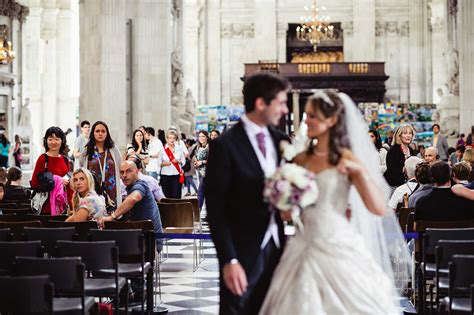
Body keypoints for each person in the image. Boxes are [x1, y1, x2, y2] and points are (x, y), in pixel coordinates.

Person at [260, 90, 404, 314]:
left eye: (312, 116)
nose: (306, 120)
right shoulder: (299, 159)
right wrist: (285, 204)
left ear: (332, 119)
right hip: (302, 242)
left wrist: (360, 174)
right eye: (306, 115)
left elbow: (378, 208)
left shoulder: (347, 159)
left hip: (337, 242)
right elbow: (288, 209)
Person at [205, 72, 291, 314]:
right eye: (281, 103)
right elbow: (216, 210)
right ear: (261, 103)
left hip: (276, 247)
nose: (285, 110)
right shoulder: (225, 145)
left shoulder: (281, 140)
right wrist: (228, 260)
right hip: (241, 252)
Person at [100, 161, 163, 251]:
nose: (125, 175)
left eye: (128, 171)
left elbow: (133, 198)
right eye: (122, 172)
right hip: (141, 240)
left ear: (136, 171)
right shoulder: (131, 188)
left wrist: (112, 216)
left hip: (152, 243)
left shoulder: (141, 185)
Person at [79, 121, 122, 212]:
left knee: (112, 219)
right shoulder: (87, 150)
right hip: (93, 191)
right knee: (94, 217)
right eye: (97, 131)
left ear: (107, 133)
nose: (100, 134)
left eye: (103, 131)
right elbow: (82, 168)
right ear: (93, 133)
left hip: (112, 190)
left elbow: (120, 165)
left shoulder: (113, 149)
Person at [31, 127, 72, 214]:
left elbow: (69, 184)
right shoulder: (43, 159)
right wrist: (57, 181)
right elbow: (34, 183)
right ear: (46, 141)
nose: (53, 142)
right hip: (46, 207)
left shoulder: (65, 160)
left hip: (62, 206)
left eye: (57, 139)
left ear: (62, 141)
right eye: (50, 139)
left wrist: (72, 206)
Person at [384, 124, 416, 193]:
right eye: (405, 133)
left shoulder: (411, 150)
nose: (408, 135)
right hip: (393, 186)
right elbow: (392, 170)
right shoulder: (393, 150)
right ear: (399, 135)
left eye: (410, 133)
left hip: (408, 186)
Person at [158, 129, 185, 199]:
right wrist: (164, 163)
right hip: (165, 175)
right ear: (167, 139)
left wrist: (178, 161)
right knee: (168, 196)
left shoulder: (179, 148)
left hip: (177, 175)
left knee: (176, 195)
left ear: (176, 138)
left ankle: (177, 209)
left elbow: (184, 161)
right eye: (170, 138)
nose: (172, 140)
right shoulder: (162, 149)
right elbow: (158, 163)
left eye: (173, 138)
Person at [193, 130, 209, 209]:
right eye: (199, 136)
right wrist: (196, 163)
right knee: (202, 192)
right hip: (200, 173)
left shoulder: (209, 146)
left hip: (208, 173)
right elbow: (196, 158)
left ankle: (197, 213)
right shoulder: (198, 147)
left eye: (203, 136)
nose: (201, 138)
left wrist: (202, 162)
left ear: (206, 137)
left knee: (200, 192)